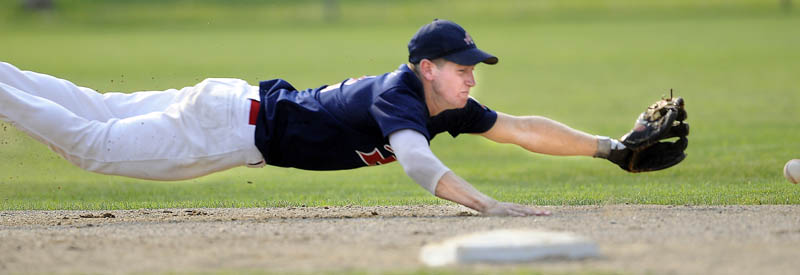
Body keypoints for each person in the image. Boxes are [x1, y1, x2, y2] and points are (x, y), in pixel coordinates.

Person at [0, 19, 684, 217]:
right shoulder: (400, 98)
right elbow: (415, 162)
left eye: (474, 62)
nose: (472, 73)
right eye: (460, 63)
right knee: (88, 140)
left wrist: (610, 147)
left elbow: (523, 128)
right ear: (426, 68)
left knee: (90, 107)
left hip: (230, 105)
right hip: (221, 127)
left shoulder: (443, 104)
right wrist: (488, 205)